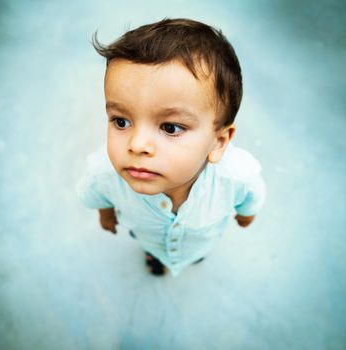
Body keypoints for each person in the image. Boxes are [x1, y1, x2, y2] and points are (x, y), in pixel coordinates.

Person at [77, 18, 265, 277]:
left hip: (201, 242)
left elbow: (252, 193)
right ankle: (156, 257)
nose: (137, 145)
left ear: (218, 142)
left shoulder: (236, 176)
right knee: (153, 250)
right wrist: (106, 214)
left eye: (170, 128)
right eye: (121, 121)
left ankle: (193, 258)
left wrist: (246, 213)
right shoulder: (103, 173)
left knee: (197, 252)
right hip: (148, 239)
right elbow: (98, 194)